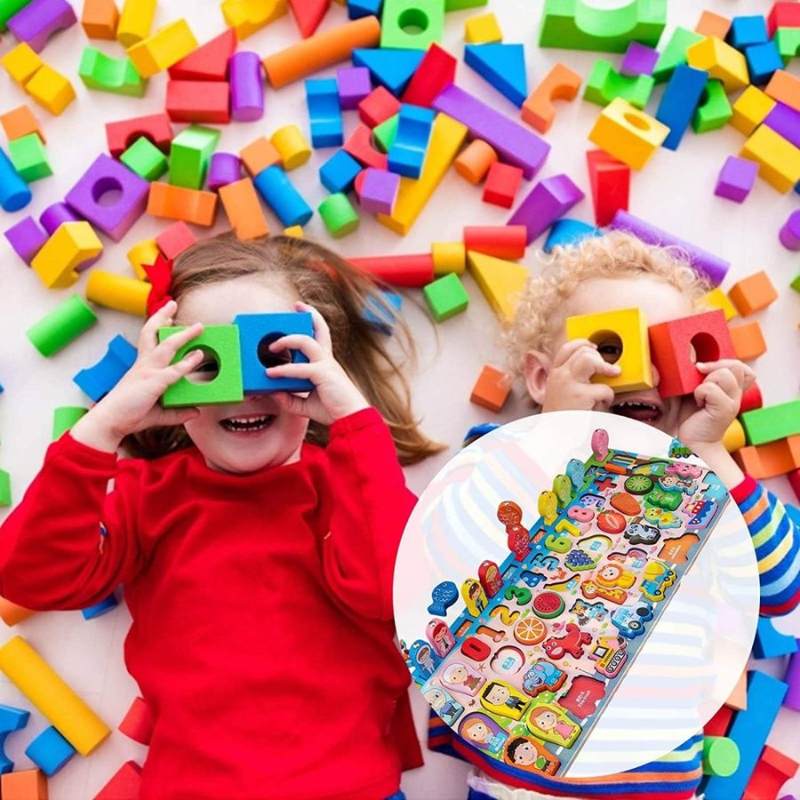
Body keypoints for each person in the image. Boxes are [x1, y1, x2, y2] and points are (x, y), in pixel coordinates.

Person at [0, 234, 443, 800]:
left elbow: (396, 595)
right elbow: (28, 576)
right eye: (208, 364)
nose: (245, 391)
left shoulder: (353, 483)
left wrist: (353, 420)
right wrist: (104, 427)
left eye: (273, 359)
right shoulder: (147, 496)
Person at [435, 232, 800, 800]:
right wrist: (558, 435)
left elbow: (782, 587)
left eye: (669, 353)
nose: (644, 374)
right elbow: (456, 567)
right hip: (520, 778)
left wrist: (711, 450)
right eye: (612, 350)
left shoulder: (700, 487)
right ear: (542, 379)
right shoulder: (505, 456)